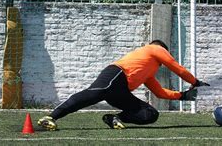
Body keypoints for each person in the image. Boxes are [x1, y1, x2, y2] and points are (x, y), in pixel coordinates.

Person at [37, 40, 210, 130]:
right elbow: (177, 67)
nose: (164, 58)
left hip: (122, 90)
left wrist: (182, 96)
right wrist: (194, 82)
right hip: (116, 73)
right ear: (161, 48)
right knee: (93, 94)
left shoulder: (148, 71)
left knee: (150, 114)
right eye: (165, 53)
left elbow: (159, 92)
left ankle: (114, 118)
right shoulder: (155, 49)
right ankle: (51, 117)